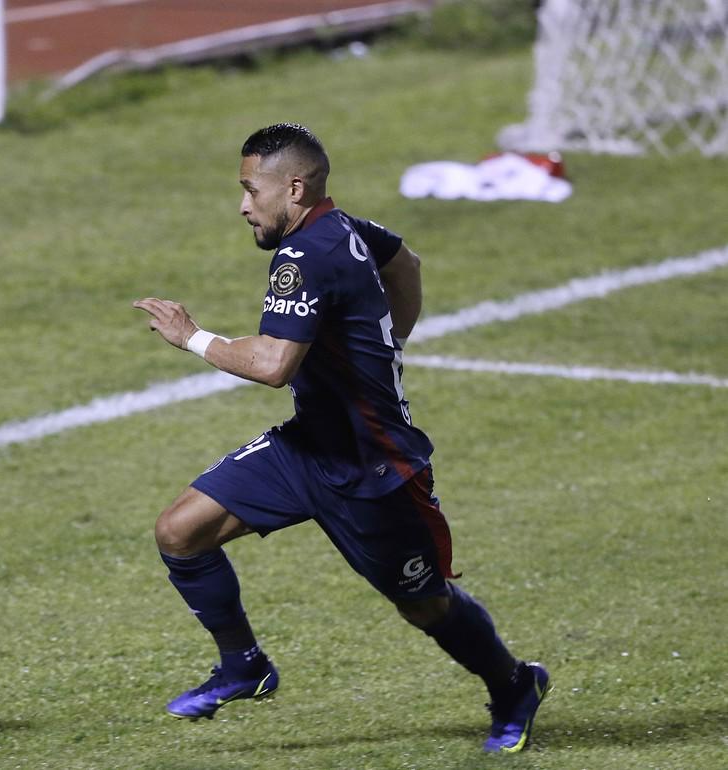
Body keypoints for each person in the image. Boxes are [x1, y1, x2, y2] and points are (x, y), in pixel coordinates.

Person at [133, 123, 549, 753]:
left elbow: (274, 365)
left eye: (251, 190)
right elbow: (405, 262)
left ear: (292, 188)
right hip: (308, 448)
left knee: (425, 605)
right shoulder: (347, 226)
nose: (243, 206)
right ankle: (245, 666)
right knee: (180, 532)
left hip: (374, 471)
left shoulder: (304, 256)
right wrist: (391, 336)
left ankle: (514, 684)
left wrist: (192, 336)